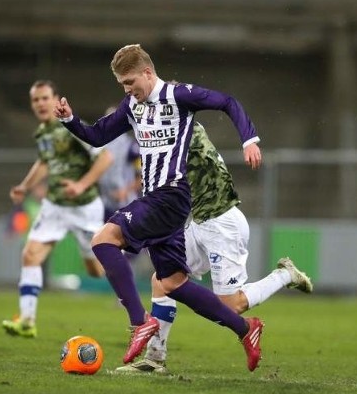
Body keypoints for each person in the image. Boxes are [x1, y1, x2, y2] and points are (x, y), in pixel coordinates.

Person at [54, 44, 265, 371]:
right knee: (173, 283)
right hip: (159, 201)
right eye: (122, 85)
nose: (127, 90)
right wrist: (70, 120)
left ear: (147, 73)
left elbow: (227, 102)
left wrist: (249, 139)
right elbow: (98, 136)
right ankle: (245, 329)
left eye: (129, 82)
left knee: (104, 240)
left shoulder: (179, 96)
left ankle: (139, 322)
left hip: (171, 195)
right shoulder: (132, 106)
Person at [116, 122, 313, 373]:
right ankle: (155, 359)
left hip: (222, 224)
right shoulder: (178, 130)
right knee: (163, 279)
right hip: (199, 222)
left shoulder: (183, 132)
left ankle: (285, 274)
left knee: (232, 306)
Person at [2, 80, 113, 338]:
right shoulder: (43, 132)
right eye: (35, 100)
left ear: (56, 100)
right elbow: (44, 162)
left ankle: (127, 292)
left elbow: (106, 157)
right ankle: (27, 320)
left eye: (44, 98)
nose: (40, 104)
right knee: (30, 255)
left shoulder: (71, 128)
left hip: (84, 207)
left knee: (96, 270)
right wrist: (25, 186)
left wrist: (81, 185)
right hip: (54, 205)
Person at [97, 106, 141, 221]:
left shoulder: (131, 146)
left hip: (125, 203)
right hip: (106, 202)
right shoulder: (100, 144)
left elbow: (142, 176)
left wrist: (126, 191)